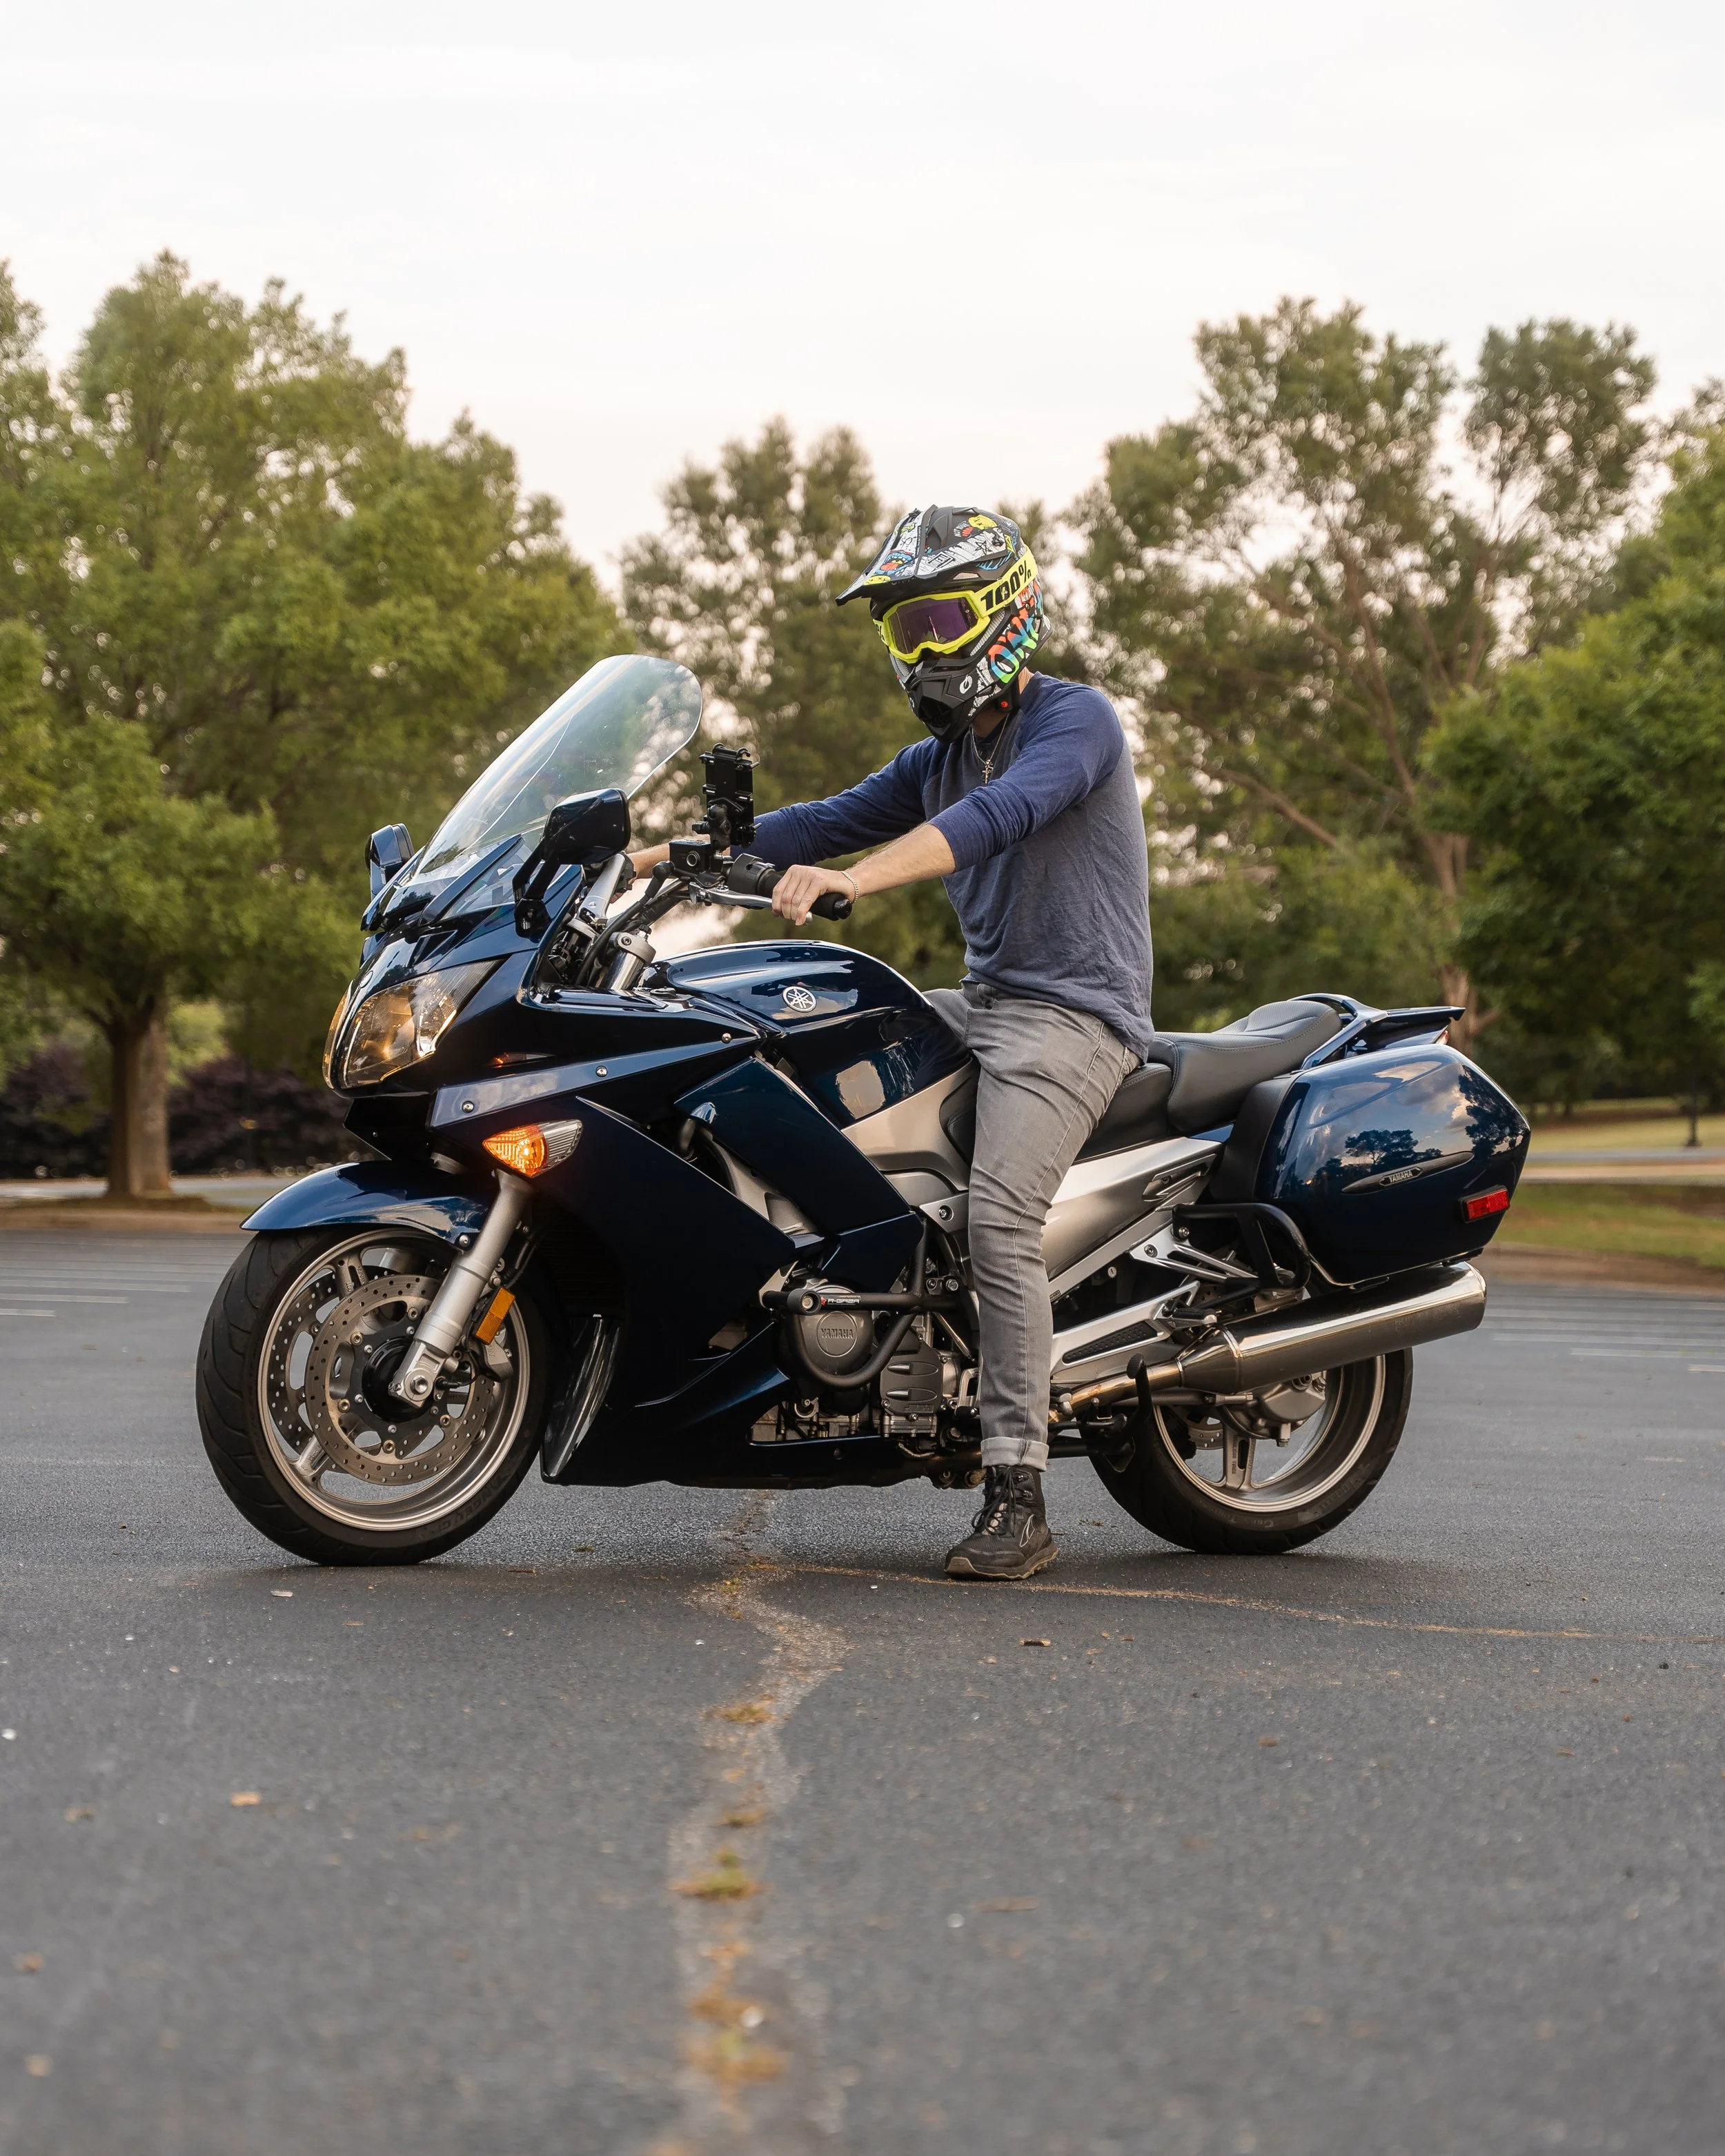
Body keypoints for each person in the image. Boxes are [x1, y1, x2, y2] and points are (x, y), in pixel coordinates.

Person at [636, 507, 1154, 1579]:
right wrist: (651, 862)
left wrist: (859, 880)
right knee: (791, 1046)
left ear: (1004, 612)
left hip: (1078, 1018)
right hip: (988, 1001)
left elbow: (1001, 816)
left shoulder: (1078, 723)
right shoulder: (936, 759)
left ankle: (1018, 1490)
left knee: (1001, 1221)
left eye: (934, 619)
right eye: (901, 630)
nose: (918, 650)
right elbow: (816, 824)